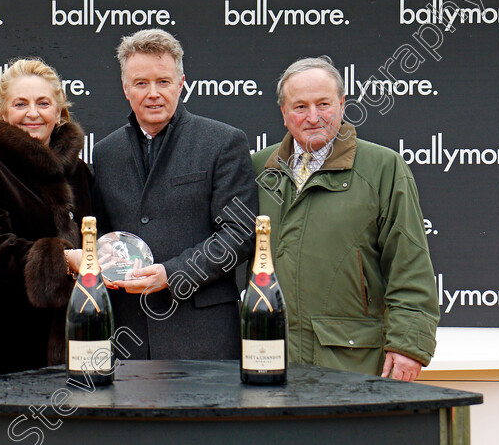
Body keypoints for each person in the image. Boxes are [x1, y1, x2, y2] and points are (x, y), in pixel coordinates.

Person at [253, 56, 439, 381]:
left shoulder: (384, 168)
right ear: (283, 113)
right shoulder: (257, 169)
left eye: (323, 104)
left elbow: (409, 266)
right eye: (300, 107)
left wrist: (409, 345)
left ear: (341, 105)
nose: (313, 117)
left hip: (353, 364)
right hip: (269, 358)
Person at [92, 29, 258, 359]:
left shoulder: (223, 142)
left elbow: (240, 233)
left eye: (163, 82)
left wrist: (173, 273)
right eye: (141, 83)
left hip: (203, 336)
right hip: (128, 335)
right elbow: (101, 234)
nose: (153, 93)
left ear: (181, 84)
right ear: (125, 88)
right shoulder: (105, 153)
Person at [0, 58, 92, 382]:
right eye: (21, 103)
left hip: (71, 342)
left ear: (59, 113)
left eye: (43, 103)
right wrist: (65, 258)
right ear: (4, 113)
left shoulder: (80, 172)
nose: (32, 113)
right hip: (0, 346)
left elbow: (96, 236)